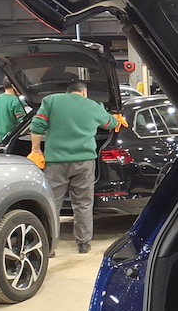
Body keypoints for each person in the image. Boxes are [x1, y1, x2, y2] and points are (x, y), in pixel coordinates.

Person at [29, 80, 124, 254]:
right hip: (84, 162)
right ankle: (83, 243)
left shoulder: (51, 101)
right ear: (84, 92)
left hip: (55, 161)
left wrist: (36, 150)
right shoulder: (93, 106)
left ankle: (49, 245)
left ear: (68, 92)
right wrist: (115, 118)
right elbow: (110, 124)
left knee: (52, 204)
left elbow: (37, 126)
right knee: (83, 203)